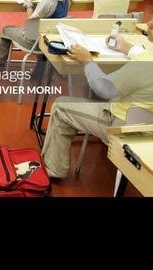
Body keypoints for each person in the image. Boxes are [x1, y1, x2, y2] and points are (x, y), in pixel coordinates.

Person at [42, 18, 153, 179]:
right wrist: (128, 48)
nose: (149, 24)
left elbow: (104, 89)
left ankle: (54, 168)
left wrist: (87, 61)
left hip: (124, 125)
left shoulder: (145, 63)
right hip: (148, 123)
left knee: (61, 107)